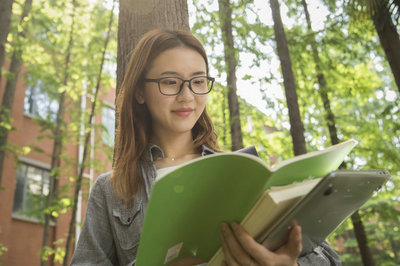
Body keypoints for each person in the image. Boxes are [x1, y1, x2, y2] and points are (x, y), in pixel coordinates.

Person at [70, 29, 341, 266]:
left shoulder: (243, 172)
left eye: (198, 81)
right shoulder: (111, 189)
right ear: (140, 92)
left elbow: (328, 258)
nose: (187, 95)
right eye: (170, 82)